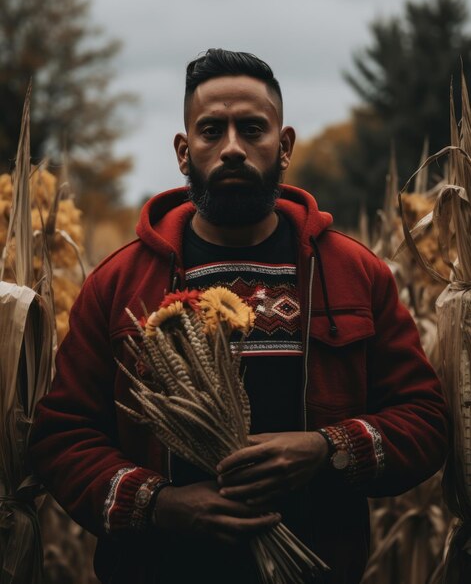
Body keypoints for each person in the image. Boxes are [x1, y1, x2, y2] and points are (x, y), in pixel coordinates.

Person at [30, 48, 449, 584]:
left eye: (252, 129)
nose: (232, 148)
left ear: (285, 145)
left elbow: (425, 421)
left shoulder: (355, 273)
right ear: (184, 151)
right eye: (211, 131)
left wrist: (326, 449)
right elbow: (62, 436)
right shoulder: (118, 284)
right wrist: (161, 504)